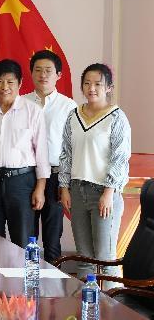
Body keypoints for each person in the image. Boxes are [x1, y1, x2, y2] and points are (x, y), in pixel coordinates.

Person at [59, 64, 131, 281]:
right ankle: (86, 302)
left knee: (105, 259)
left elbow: (120, 158)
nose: (92, 88)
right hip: (77, 191)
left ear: (109, 87)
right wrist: (64, 187)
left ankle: (113, 301)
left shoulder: (117, 117)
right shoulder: (73, 115)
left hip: (104, 193)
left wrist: (109, 192)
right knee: (84, 259)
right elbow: (66, 153)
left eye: (98, 84)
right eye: (87, 83)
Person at [0, 59, 50, 248]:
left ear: (20, 83)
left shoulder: (32, 111)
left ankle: (23, 269)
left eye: (10, 82)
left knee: (23, 240)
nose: (5, 87)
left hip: (22, 183)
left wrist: (40, 188)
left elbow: (41, 153)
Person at [24, 49, 77, 263]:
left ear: (58, 75)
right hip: (27, 175)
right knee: (27, 235)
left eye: (48, 70)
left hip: (55, 177)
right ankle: (27, 277)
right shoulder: (21, 102)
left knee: (53, 237)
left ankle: (54, 280)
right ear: (31, 73)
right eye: (38, 70)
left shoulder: (69, 106)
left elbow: (71, 148)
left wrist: (65, 184)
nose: (43, 75)